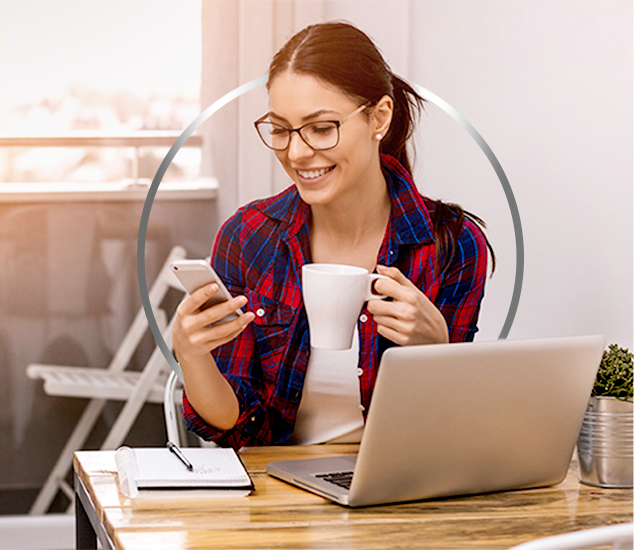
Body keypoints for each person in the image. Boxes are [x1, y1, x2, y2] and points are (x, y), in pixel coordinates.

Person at [173, 21, 494, 449]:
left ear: (380, 116)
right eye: (282, 130)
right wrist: (192, 356)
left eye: (322, 128)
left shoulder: (450, 244)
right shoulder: (249, 237)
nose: (297, 152)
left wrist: (435, 351)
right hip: (276, 496)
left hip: (398, 493)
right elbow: (237, 424)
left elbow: (450, 432)